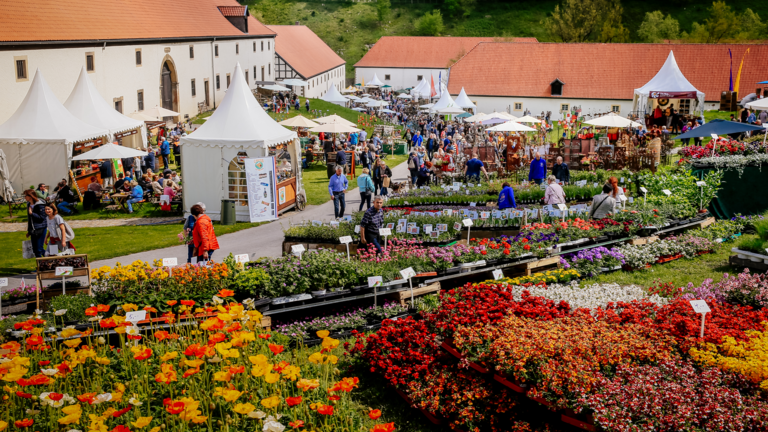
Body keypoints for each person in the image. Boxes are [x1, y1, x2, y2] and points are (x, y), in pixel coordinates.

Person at [24, 189, 47, 257]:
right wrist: (29, 231)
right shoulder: (28, 204)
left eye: (25, 195)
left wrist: (32, 213)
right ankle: (40, 266)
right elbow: (30, 220)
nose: (25, 197)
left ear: (30, 196)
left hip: (40, 228)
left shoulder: (39, 205)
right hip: (34, 230)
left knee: (39, 249)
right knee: (35, 250)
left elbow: (42, 218)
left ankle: (50, 261)